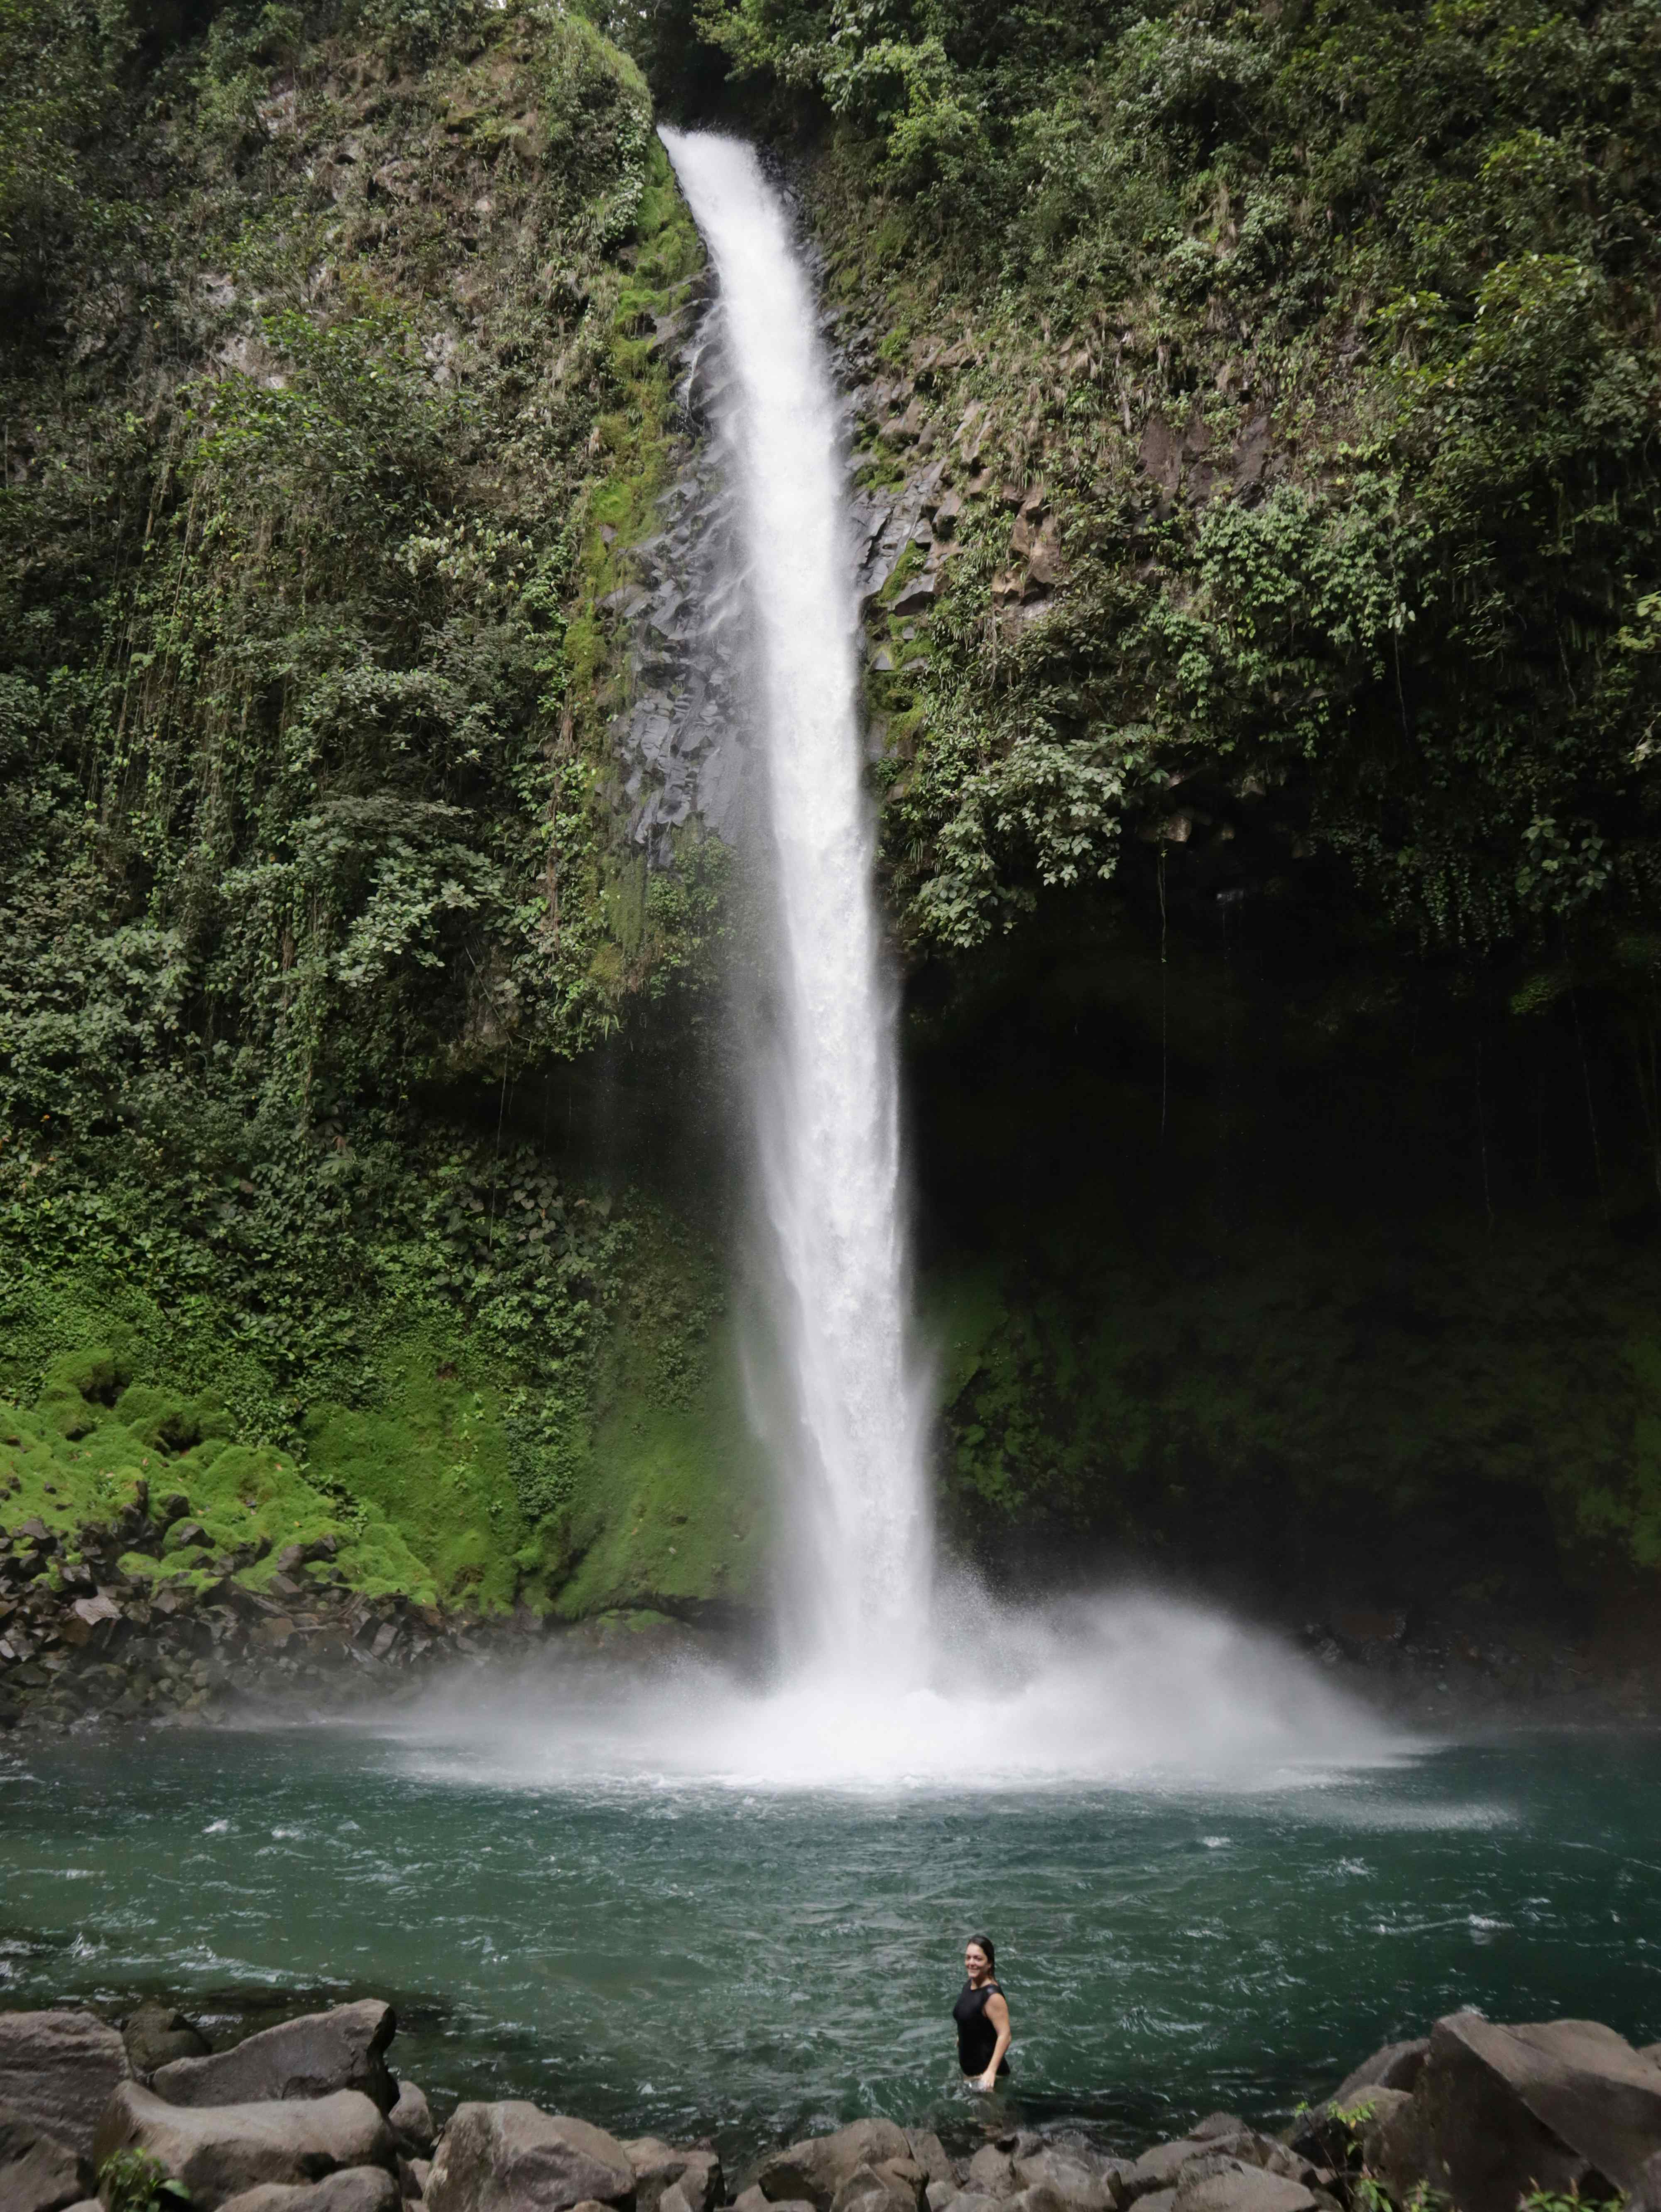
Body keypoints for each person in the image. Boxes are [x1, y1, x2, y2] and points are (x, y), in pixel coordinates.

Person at [953, 1935, 1011, 2090]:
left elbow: (1005, 2035)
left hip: (988, 2079)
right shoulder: (970, 1985)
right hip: (971, 2074)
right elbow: (971, 2015)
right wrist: (962, 2035)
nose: (971, 1963)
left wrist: (991, 2072)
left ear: (989, 1963)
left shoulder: (992, 1996)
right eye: (968, 1958)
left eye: (978, 1959)